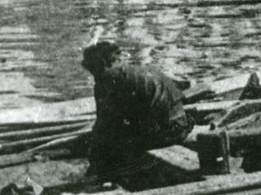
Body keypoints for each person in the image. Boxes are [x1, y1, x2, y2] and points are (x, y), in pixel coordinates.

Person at [81, 41, 192, 177]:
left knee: (110, 144)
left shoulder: (107, 79)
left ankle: (110, 177)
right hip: (181, 126)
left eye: (92, 68)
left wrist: (94, 156)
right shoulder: (139, 69)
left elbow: (104, 125)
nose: (93, 74)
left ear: (102, 64)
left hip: (166, 133)